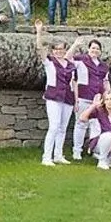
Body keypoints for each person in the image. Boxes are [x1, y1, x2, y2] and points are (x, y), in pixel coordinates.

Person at [34, 22, 75, 166]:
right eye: (56, 49)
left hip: (68, 98)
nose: (59, 52)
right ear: (53, 51)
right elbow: (39, 49)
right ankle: (47, 157)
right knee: (54, 126)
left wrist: (75, 100)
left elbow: (73, 83)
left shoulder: (70, 65)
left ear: (65, 50)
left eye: (61, 49)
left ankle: (58, 155)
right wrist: (39, 32)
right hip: (53, 96)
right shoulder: (49, 62)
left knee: (63, 127)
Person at [69, 37, 109, 160]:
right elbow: (67, 58)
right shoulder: (81, 60)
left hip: (98, 99)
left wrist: (108, 95)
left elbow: (105, 82)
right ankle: (77, 150)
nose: (95, 50)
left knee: (96, 125)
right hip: (83, 96)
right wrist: (75, 44)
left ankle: (94, 149)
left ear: (100, 51)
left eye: (97, 49)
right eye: (93, 48)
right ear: (88, 49)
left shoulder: (104, 66)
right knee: (81, 124)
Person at [77, 90, 111, 170]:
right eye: (107, 99)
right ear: (104, 101)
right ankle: (101, 161)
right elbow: (82, 118)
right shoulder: (99, 111)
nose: (109, 102)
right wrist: (93, 105)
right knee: (109, 135)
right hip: (98, 143)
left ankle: (108, 159)